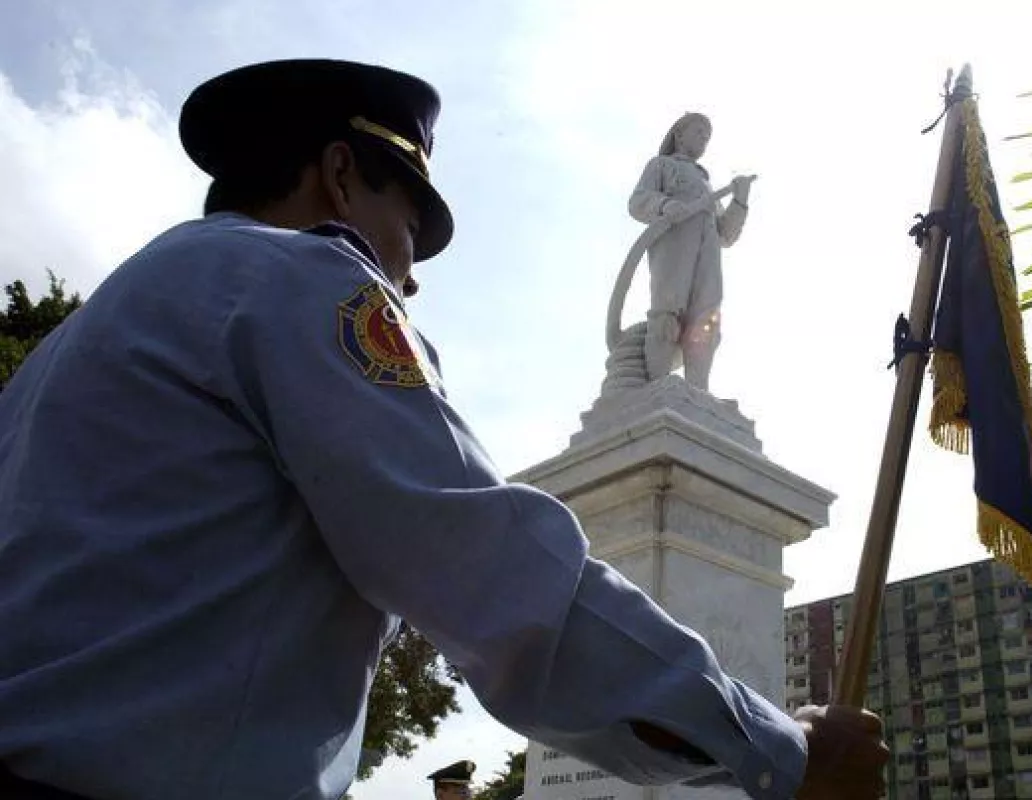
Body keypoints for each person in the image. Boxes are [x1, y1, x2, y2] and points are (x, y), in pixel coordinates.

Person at [0, 59, 888, 800]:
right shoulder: (301, 279)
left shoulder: (76, 345)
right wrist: (781, 751)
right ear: (340, 175)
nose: (412, 279)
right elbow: (487, 567)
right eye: (409, 228)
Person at [627, 112, 752, 391]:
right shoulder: (662, 165)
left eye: (707, 137)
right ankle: (656, 387)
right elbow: (637, 202)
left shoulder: (706, 186)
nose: (703, 140)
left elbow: (726, 234)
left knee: (706, 319)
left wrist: (740, 201)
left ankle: (697, 390)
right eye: (698, 132)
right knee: (667, 315)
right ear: (679, 135)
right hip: (674, 245)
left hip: (708, 254)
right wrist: (663, 205)